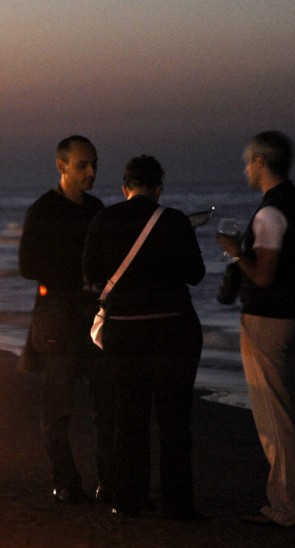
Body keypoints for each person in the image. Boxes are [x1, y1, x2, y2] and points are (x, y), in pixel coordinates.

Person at [83, 156, 206, 519]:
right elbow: (195, 274)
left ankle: (128, 499)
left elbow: (91, 274)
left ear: (125, 187)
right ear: (159, 187)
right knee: (174, 421)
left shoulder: (104, 219)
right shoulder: (174, 221)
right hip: (174, 331)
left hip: (125, 333)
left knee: (129, 417)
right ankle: (178, 504)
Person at [216, 131, 295, 528]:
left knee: (274, 417)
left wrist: (234, 251)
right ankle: (285, 501)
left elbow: (262, 275)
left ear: (261, 161)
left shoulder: (270, 212)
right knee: (285, 410)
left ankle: (288, 508)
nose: (245, 168)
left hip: (269, 320)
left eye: (248, 161)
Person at [18, 135, 113, 504]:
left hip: (93, 312)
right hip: (57, 314)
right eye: (82, 165)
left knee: (107, 401)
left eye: (93, 164)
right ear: (62, 167)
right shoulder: (43, 210)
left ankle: (110, 481)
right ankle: (66, 481)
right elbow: (28, 266)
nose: (90, 172)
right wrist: (76, 274)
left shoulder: (97, 208)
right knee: (58, 405)